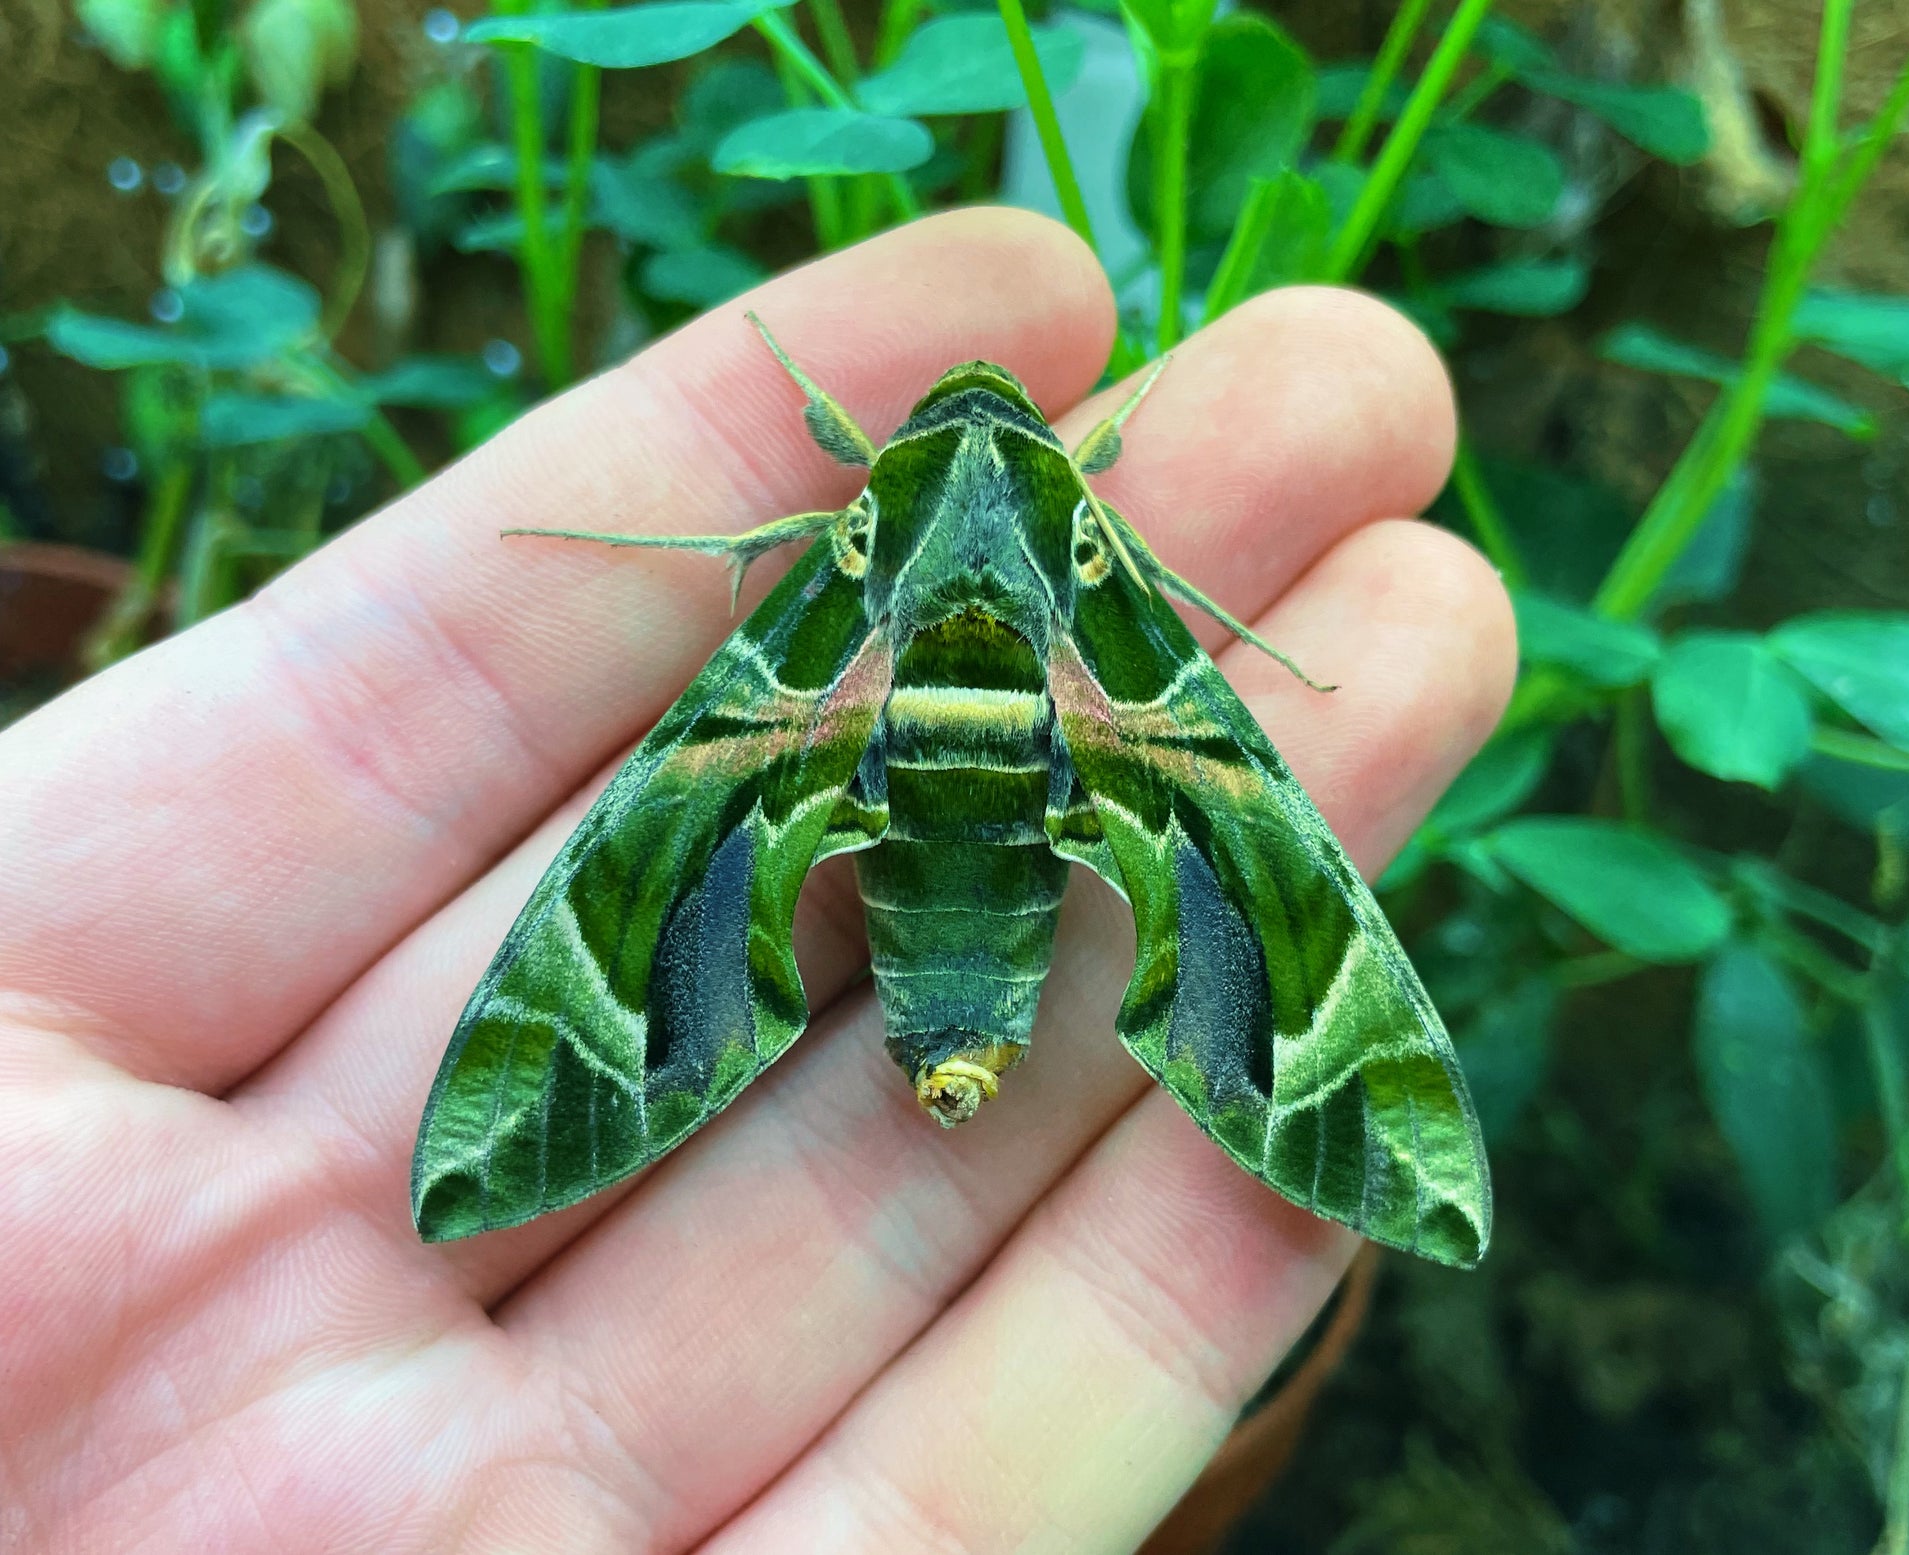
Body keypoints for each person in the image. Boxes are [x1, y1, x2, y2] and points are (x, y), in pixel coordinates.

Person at [0, 208, 1514, 1552]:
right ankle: (1337, 1102)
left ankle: (568, 1096)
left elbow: (751, 546)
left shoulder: (842, 536)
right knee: (1253, 847)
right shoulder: (1097, 536)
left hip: (876, 840)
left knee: (654, 865)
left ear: (864, 491)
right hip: (1036, 867)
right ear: (1080, 489)